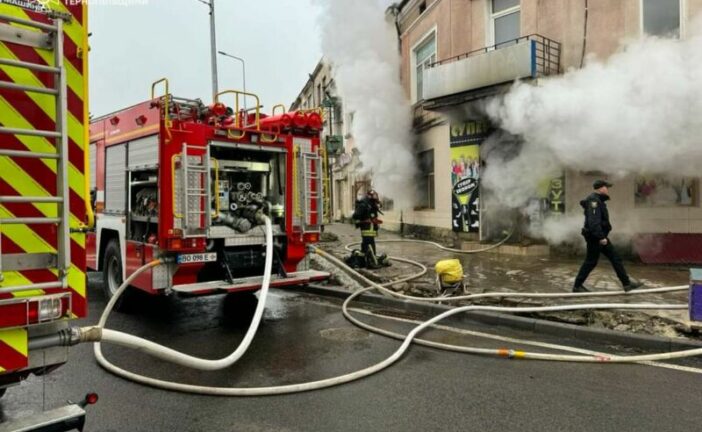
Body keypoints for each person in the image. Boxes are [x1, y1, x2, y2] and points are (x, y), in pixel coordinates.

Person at [573, 180, 643, 293]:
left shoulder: (598, 200)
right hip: (595, 237)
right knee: (591, 261)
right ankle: (577, 286)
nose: (607, 189)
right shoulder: (594, 201)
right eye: (606, 187)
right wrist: (601, 237)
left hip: (599, 236)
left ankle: (626, 283)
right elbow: (593, 222)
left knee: (615, 258)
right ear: (600, 188)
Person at [352, 189, 383, 268]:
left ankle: (367, 261)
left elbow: (373, 214)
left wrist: (374, 221)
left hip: (371, 229)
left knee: (367, 245)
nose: (376, 199)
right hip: (366, 229)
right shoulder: (364, 204)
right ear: (370, 196)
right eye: (375, 197)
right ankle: (370, 263)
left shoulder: (371, 204)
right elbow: (355, 216)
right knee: (369, 246)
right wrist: (365, 221)